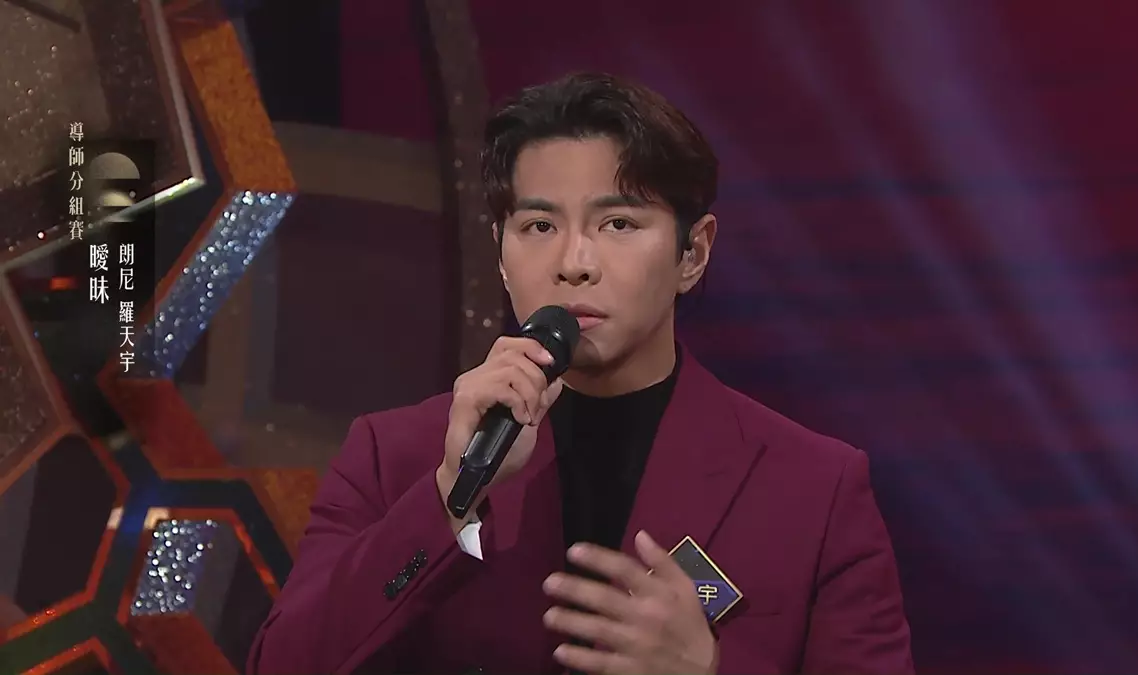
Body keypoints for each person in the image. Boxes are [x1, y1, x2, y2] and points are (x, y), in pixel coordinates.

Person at [247, 72, 913, 675]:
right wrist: (450, 497)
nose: (574, 263)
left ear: (693, 252)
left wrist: (708, 670)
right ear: (500, 252)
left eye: (618, 223)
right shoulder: (392, 457)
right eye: (539, 226)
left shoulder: (814, 488)